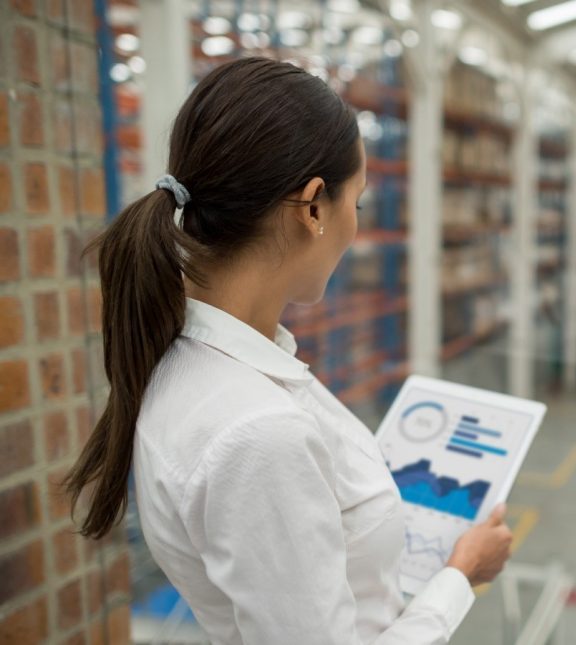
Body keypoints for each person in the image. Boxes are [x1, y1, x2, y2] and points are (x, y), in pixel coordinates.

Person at [62, 57, 512, 644]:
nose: (356, 223)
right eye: (358, 202)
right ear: (315, 206)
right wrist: (459, 577)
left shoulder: (200, 363)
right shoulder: (257, 432)